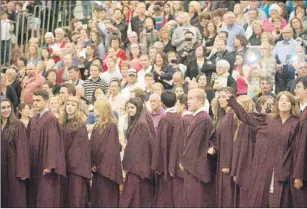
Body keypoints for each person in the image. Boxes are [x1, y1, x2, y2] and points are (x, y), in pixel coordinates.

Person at [226, 91, 300, 207]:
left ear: (292, 104)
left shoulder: (296, 123)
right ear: (276, 103)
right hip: (263, 168)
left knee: (278, 200)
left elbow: (297, 149)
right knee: (260, 199)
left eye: (287, 100)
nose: (284, 102)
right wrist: (233, 103)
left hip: (284, 170)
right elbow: (245, 117)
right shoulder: (266, 119)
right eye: (281, 100)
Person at [27, 89, 66, 207]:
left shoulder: (51, 119)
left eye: (38, 100)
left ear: (46, 101)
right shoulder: (34, 119)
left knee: (46, 195)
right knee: (35, 194)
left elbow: (53, 143)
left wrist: (49, 165)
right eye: (33, 100)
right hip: (34, 163)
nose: (35, 103)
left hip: (45, 165)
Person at [180, 88, 216, 207]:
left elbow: (194, 145)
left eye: (191, 98)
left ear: (200, 101)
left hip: (197, 167)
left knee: (196, 200)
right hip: (195, 165)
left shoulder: (202, 119)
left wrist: (184, 161)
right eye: (188, 98)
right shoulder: (199, 117)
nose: (187, 101)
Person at [120, 97, 154, 207]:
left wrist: (125, 146)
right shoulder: (137, 120)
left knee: (134, 196)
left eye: (132, 107)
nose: (129, 110)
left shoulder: (141, 123)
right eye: (128, 107)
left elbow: (140, 148)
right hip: (137, 167)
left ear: (138, 108)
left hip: (138, 168)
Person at [58, 96, 91, 207]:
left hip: (75, 168)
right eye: (68, 104)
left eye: (73, 105)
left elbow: (79, 148)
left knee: (75, 197)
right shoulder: (61, 122)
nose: (70, 107)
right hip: (62, 166)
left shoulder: (80, 125)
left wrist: (67, 162)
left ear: (77, 108)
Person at [90, 100, 123, 207]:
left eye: (96, 108)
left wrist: (99, 165)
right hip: (97, 169)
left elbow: (110, 150)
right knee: (97, 197)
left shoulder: (111, 126)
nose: (94, 110)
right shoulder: (96, 126)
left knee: (107, 197)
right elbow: (92, 146)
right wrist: (92, 163)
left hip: (107, 170)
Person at [1, 99, 29, 208]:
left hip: (14, 168)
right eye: (3, 108)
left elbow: (23, 149)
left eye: (8, 107)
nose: (6, 110)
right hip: (1, 167)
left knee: (16, 197)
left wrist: (23, 171)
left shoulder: (18, 125)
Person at [168, 94, 193, 207]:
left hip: (181, 165)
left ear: (183, 106)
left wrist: (172, 166)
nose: (176, 107)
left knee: (180, 198)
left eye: (178, 104)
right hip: (190, 166)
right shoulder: (194, 119)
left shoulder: (183, 121)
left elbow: (177, 146)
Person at [230, 95, 255, 207]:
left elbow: (244, 151)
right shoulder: (243, 124)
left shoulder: (246, 125)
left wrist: (237, 171)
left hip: (246, 169)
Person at [214, 87, 236, 207]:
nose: (221, 99)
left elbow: (229, 142)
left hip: (227, 162)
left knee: (227, 192)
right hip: (223, 158)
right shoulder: (226, 115)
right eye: (219, 97)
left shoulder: (230, 116)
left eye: (224, 96)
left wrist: (226, 164)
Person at [292, 77, 307, 207]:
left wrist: (298, 174)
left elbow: (303, 145)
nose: (295, 90)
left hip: (303, 170)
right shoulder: (297, 111)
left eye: (298, 87)